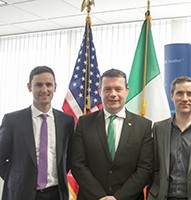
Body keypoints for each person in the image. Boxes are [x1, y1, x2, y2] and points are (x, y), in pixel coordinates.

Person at [71, 68, 153, 200]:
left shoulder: (143, 126)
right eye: (107, 89)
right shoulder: (84, 123)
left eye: (118, 89)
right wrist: (100, 196)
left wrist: (118, 198)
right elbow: (78, 164)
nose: (113, 94)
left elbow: (145, 169)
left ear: (127, 91)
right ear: (99, 91)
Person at [0, 66, 75, 200]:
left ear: (55, 87)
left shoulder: (67, 121)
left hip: (56, 194)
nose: (44, 90)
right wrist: (15, 178)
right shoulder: (13, 121)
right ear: (29, 87)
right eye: (38, 85)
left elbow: (69, 158)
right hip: (21, 194)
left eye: (48, 85)